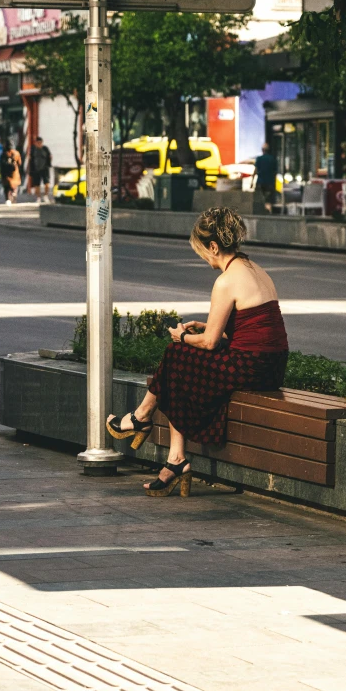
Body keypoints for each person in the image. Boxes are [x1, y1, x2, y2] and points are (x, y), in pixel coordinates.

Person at [106, 207, 289, 497]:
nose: (204, 258)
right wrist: (205, 326)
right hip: (271, 363)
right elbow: (247, 326)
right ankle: (173, 459)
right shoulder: (254, 269)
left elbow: (210, 343)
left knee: (177, 354)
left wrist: (182, 336)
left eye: (203, 251)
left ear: (214, 246)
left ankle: (142, 417)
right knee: (179, 362)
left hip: (252, 366)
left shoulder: (226, 281)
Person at [254, 143, 277, 213]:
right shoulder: (272, 159)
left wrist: (252, 182)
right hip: (270, 182)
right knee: (268, 199)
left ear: (262, 150)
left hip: (260, 182)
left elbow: (255, 171)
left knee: (259, 198)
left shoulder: (259, 159)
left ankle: (260, 211)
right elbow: (274, 172)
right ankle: (268, 211)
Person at [29, 137, 52, 203]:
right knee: (37, 184)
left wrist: (49, 164)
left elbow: (49, 156)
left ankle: (45, 196)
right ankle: (38, 197)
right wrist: (31, 170)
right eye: (37, 143)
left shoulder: (45, 149)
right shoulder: (33, 149)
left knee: (47, 183)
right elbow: (31, 159)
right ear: (35, 143)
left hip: (44, 169)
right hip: (36, 169)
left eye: (40, 143)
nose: (39, 144)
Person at [0, 140, 21, 206]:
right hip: (14, 173)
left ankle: (8, 199)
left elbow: (1, 163)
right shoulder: (17, 153)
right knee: (14, 187)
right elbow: (19, 163)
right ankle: (13, 196)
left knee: (6, 187)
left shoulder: (4, 153)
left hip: (5, 173)